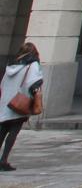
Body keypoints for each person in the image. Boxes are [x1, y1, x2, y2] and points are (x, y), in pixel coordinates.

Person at [0, 42, 43, 172]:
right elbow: (34, 83)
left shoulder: (11, 64)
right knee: (14, 131)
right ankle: (4, 160)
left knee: (2, 130)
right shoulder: (33, 65)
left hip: (6, 101)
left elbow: (3, 83)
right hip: (20, 102)